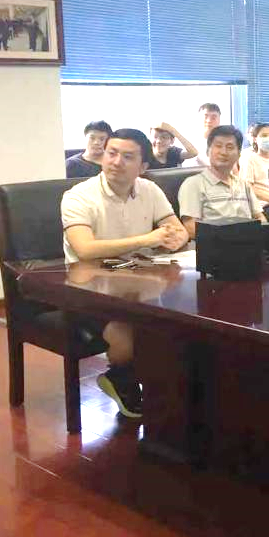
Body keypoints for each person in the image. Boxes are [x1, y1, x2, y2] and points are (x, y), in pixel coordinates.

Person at [61, 128, 189, 419]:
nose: (116, 161)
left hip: (139, 280)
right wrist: (146, 239)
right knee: (127, 334)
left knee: (185, 320)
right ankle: (122, 377)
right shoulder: (78, 196)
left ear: (143, 166)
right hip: (88, 287)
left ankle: (172, 390)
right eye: (112, 153)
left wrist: (175, 238)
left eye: (128, 157)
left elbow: (176, 228)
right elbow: (85, 249)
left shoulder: (150, 189)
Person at [178, 125, 265, 240]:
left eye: (230, 147)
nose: (223, 152)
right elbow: (191, 229)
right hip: (214, 245)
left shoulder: (243, 184)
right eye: (218, 146)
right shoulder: (193, 184)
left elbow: (260, 217)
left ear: (239, 154)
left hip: (249, 243)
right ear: (208, 151)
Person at [240, 122, 269, 206]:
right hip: (261, 205)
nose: (268, 138)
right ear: (255, 139)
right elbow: (246, 186)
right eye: (264, 136)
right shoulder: (249, 159)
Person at [184, 103, 222, 167]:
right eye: (205, 117)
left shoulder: (225, 143)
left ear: (219, 120)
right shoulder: (187, 142)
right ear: (198, 118)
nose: (209, 121)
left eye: (213, 118)